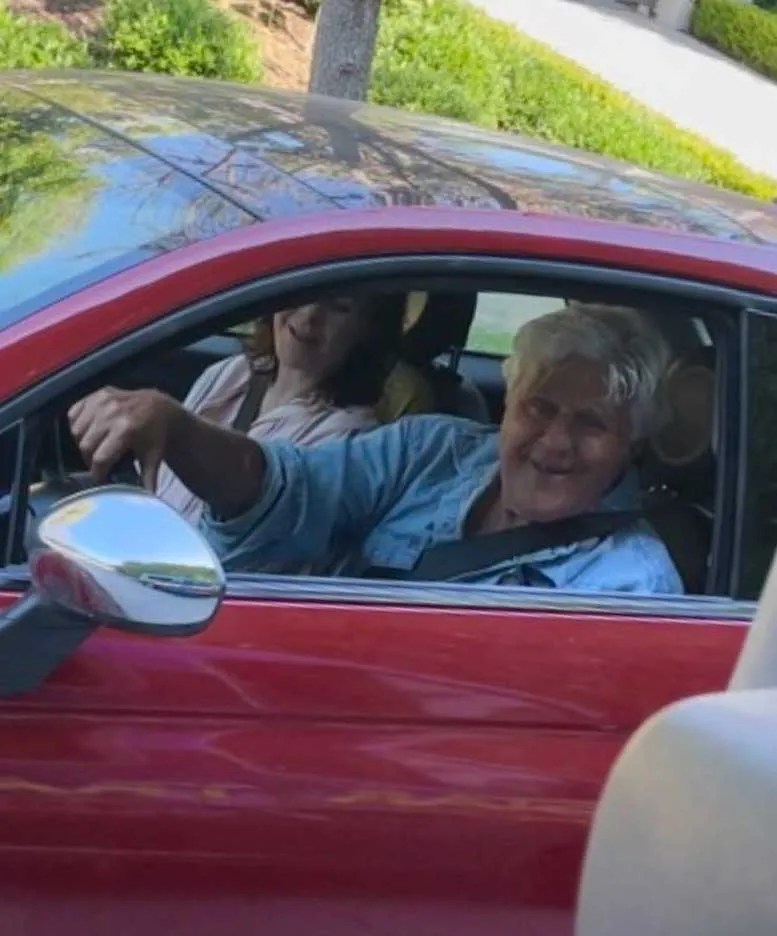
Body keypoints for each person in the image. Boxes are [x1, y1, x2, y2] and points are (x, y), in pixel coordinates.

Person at [68, 302, 683, 594]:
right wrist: (177, 428)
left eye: (591, 424)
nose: (554, 442)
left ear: (629, 445)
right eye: (539, 408)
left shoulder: (630, 585)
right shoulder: (432, 449)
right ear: (509, 404)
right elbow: (291, 492)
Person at [155, 293, 409, 525]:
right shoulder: (229, 375)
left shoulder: (349, 442)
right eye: (305, 290)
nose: (309, 316)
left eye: (339, 307)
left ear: (367, 329)